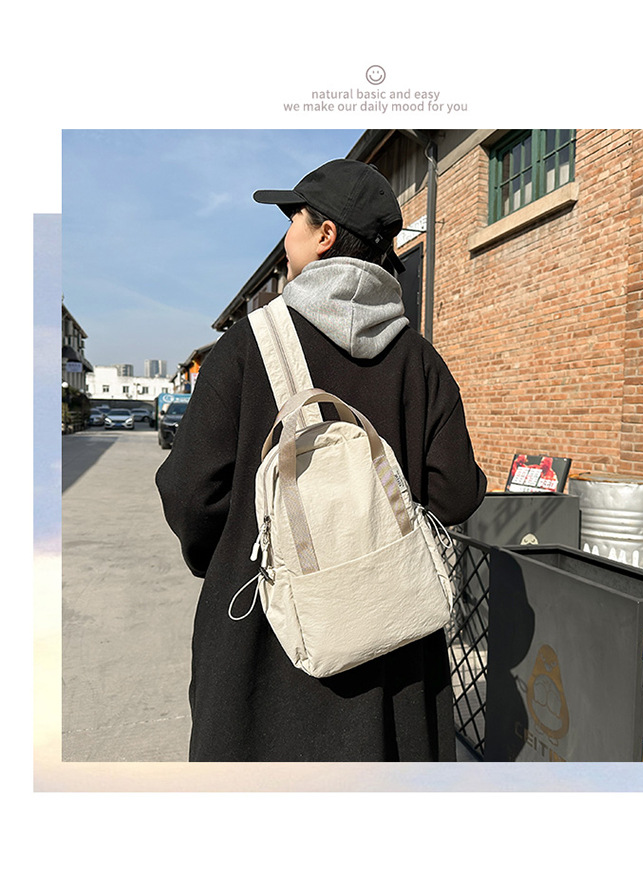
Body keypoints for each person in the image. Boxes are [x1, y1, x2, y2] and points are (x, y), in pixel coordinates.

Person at [155, 158, 487, 762]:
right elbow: (457, 492)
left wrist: (237, 554)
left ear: (325, 235)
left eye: (293, 221)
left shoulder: (245, 348)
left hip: (262, 655)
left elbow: (189, 493)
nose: (286, 238)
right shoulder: (420, 361)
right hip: (394, 658)